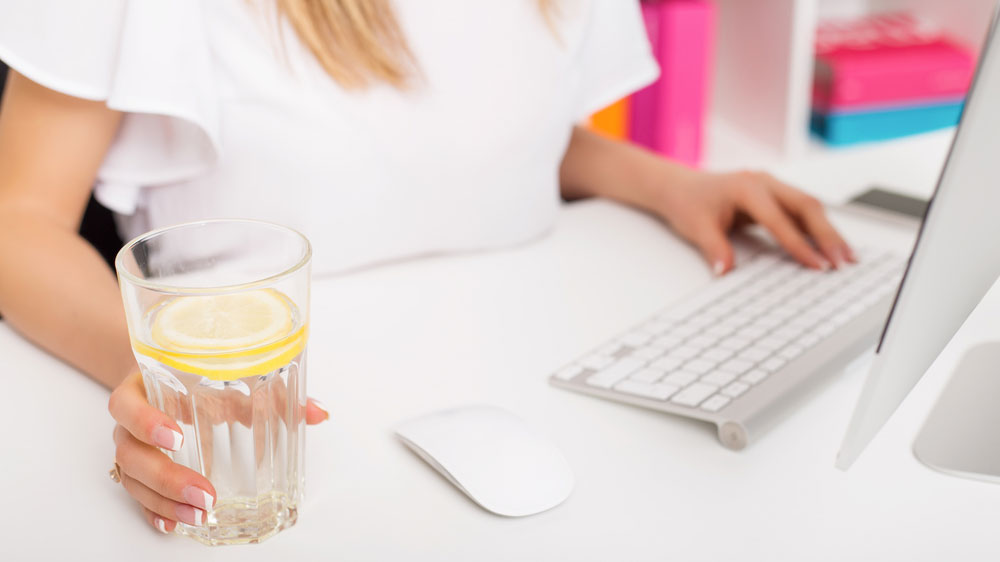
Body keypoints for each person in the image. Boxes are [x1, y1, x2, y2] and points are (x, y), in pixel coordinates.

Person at [0, 0, 852, 535]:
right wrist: (157, 375)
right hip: (264, 439)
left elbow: (473, 146)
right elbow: (18, 221)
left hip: (544, 383)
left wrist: (674, 186)